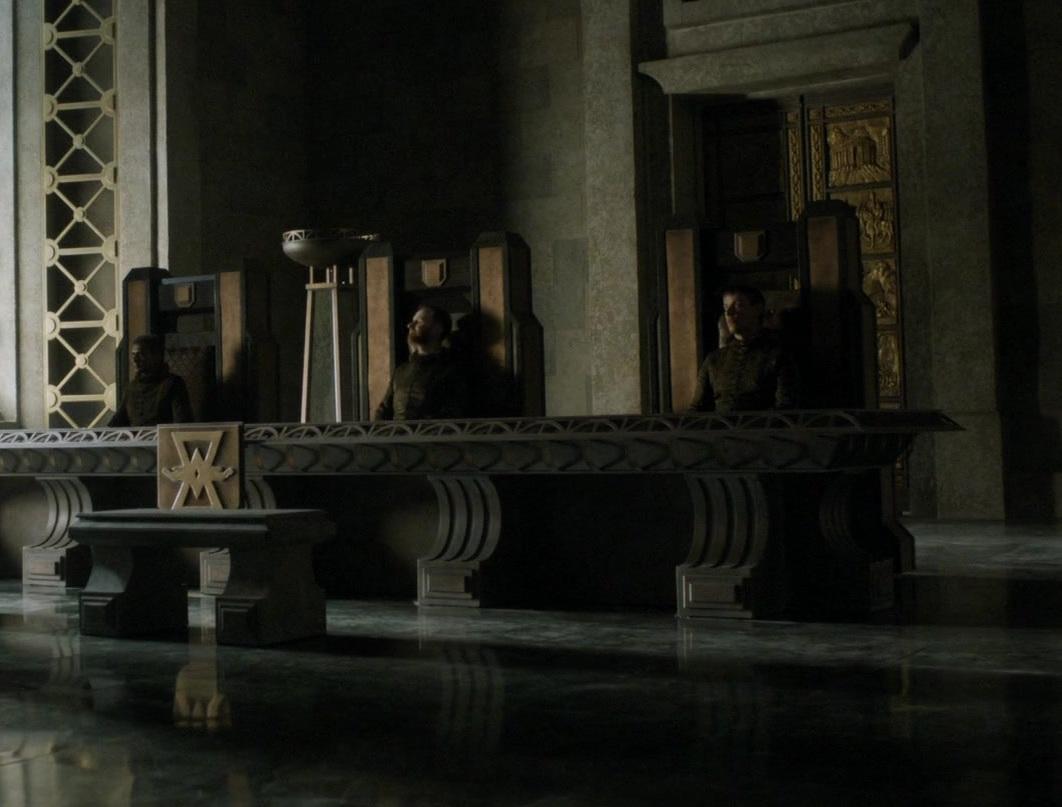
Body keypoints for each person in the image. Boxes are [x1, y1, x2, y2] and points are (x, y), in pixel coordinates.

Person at [689, 285, 799, 412]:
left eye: (738, 306)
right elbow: (696, 410)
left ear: (757, 309)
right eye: (726, 307)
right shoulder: (713, 360)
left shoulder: (778, 357)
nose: (729, 313)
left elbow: (785, 409)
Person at [374, 304, 469, 420]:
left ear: (437, 328)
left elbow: (453, 414)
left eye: (418, 322)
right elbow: (383, 410)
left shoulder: (451, 371)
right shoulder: (401, 371)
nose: (410, 325)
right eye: (412, 321)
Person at [109, 334, 194, 426]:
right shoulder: (132, 387)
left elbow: (181, 424)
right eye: (133, 355)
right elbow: (117, 421)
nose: (135, 360)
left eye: (141, 354)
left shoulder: (173, 384)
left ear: (156, 356)